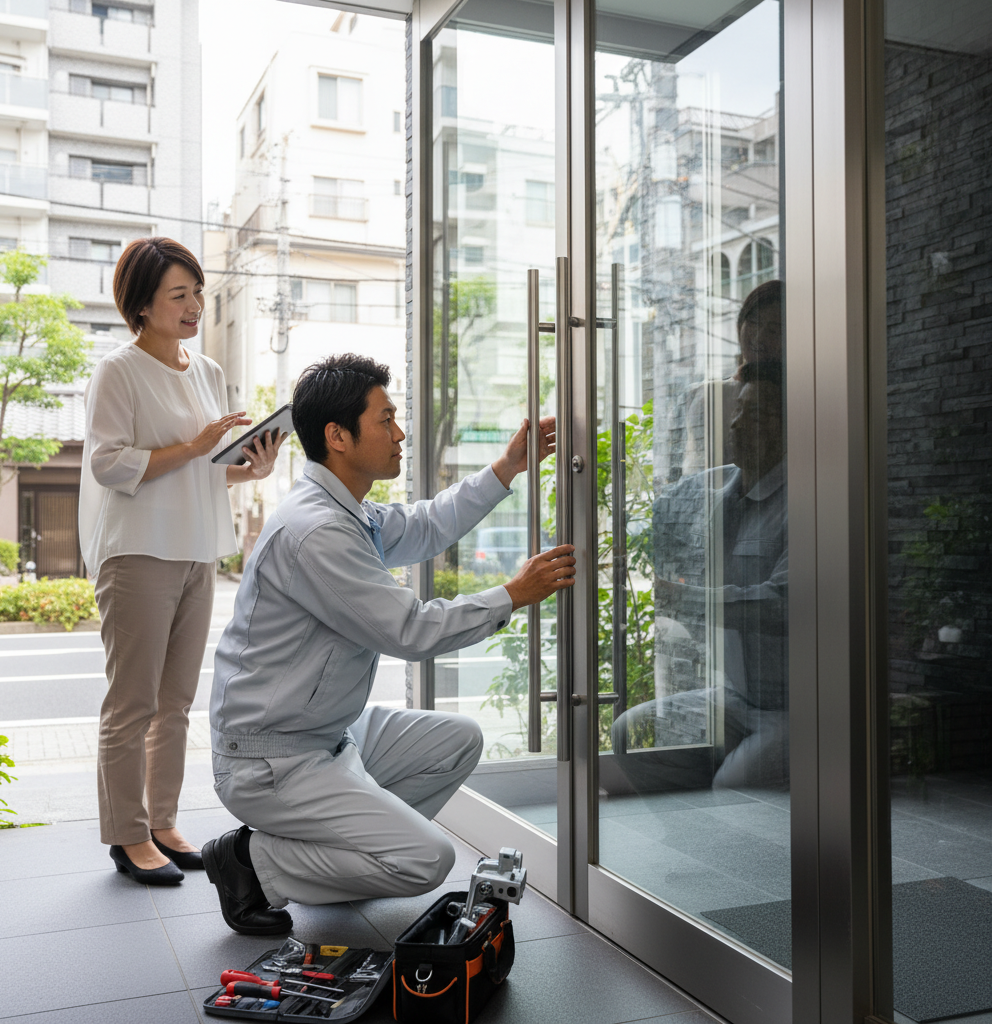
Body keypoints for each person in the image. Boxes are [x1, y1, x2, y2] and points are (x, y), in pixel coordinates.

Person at [203, 354, 576, 934]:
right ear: (338, 437)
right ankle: (252, 861)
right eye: (386, 419)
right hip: (272, 757)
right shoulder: (318, 530)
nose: (399, 432)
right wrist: (511, 595)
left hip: (326, 735)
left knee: (457, 742)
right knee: (428, 859)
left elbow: (427, 524)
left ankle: (338, 860)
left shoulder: (349, 512)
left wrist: (507, 468)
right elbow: (411, 630)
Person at [79, 237, 285, 885]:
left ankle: (162, 822)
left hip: (197, 549)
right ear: (142, 305)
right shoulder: (119, 370)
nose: (196, 304)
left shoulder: (209, 371)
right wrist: (198, 447)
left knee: (176, 702)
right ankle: (126, 834)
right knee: (131, 703)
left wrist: (249, 469)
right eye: (180, 294)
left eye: (199, 292)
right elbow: (110, 465)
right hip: (137, 552)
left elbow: (204, 475)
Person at [614, 282, 788, 790]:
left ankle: (728, 840)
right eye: (751, 329)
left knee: (732, 787)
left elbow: (783, 603)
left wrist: (692, 602)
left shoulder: (809, 499)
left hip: (800, 702)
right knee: (632, 731)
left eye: (774, 331)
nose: (736, 423)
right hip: (737, 694)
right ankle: (694, 836)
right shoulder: (720, 491)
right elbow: (678, 512)